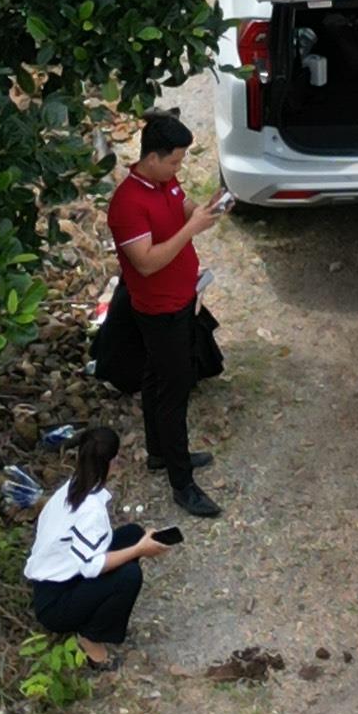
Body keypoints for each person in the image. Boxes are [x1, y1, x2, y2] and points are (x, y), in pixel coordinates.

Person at [107, 110, 224, 518]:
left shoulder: (164, 182)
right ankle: (182, 483)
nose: (179, 169)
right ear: (151, 157)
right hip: (159, 311)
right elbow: (146, 262)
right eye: (174, 160)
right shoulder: (128, 204)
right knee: (174, 394)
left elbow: (186, 207)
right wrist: (191, 230)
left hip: (181, 299)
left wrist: (206, 210)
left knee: (156, 378)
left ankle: (159, 452)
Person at [24, 424, 172, 669]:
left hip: (55, 580)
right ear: (111, 463)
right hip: (56, 604)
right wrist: (139, 551)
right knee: (129, 575)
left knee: (133, 534)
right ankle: (91, 637)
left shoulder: (73, 486)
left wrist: (138, 544)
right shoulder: (91, 510)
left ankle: (95, 613)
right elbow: (92, 568)